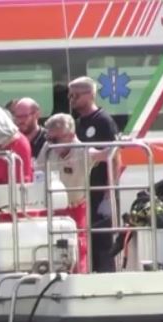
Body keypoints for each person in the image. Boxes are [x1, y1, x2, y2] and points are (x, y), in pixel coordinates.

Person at [37, 114, 109, 273]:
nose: (51, 143)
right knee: (48, 247)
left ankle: (80, 278)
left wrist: (119, 145)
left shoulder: (83, 151)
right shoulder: (48, 148)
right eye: (48, 138)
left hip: (75, 209)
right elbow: (37, 171)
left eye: (55, 139)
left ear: (70, 136)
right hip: (51, 209)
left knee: (78, 248)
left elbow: (105, 154)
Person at [68, 76, 120, 272]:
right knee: (86, 240)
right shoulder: (78, 123)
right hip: (84, 191)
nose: (72, 100)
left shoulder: (103, 121)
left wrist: (109, 193)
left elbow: (115, 158)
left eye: (76, 95)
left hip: (100, 191)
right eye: (70, 96)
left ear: (90, 95)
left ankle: (108, 277)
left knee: (103, 242)